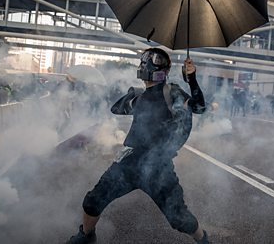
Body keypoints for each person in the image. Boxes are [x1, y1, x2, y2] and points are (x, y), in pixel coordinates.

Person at [66, 48, 209, 244]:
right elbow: (114, 107)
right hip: (128, 163)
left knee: (179, 218)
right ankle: (86, 235)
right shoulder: (140, 96)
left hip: (158, 168)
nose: (145, 64)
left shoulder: (172, 93)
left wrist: (191, 79)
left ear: (164, 70)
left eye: (151, 61)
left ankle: (203, 239)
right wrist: (83, 87)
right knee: (92, 201)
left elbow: (199, 107)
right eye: (145, 60)